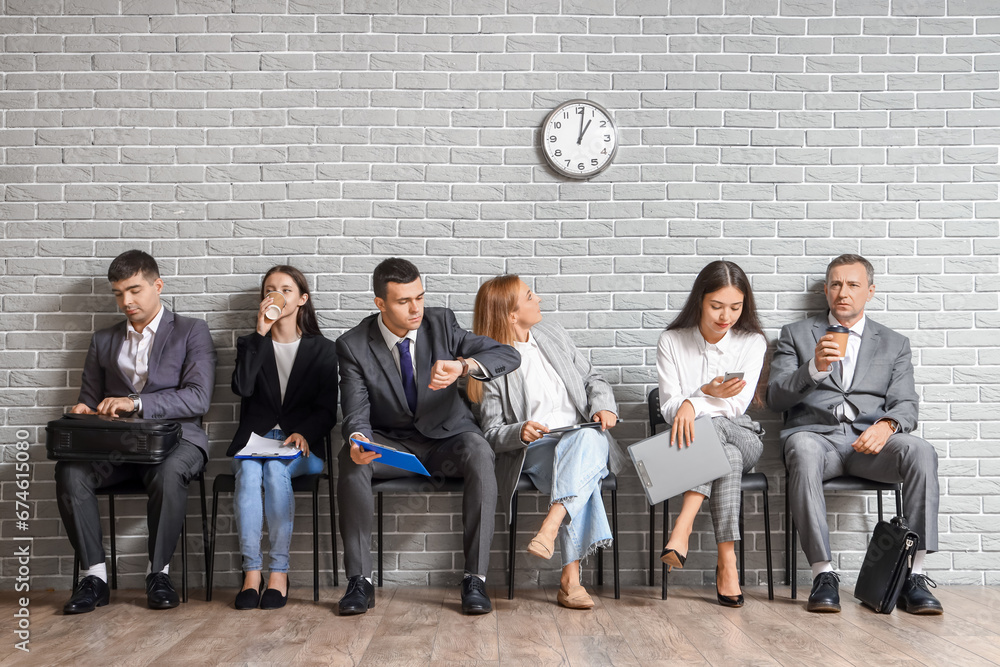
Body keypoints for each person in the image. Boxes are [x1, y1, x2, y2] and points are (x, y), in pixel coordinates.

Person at [336, 258, 520, 616]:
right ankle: (360, 581)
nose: (415, 308)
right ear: (380, 304)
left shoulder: (441, 323)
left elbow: (507, 354)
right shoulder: (353, 345)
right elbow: (355, 411)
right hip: (393, 445)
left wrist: (463, 366)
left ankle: (475, 579)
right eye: (404, 301)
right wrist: (359, 438)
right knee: (350, 456)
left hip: (448, 442)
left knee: (480, 450)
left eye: (419, 297)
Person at [767, 253, 942, 614]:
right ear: (827, 291)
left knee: (921, 451)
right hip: (819, 442)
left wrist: (888, 425)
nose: (842, 292)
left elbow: (906, 404)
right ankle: (823, 574)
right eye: (835, 284)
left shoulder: (894, 343)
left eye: (852, 285)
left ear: (870, 291)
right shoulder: (796, 335)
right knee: (800, 446)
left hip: (871, 448)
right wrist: (813, 368)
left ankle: (914, 576)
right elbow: (775, 397)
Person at [57, 250, 216, 613]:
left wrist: (135, 402)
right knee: (70, 470)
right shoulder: (103, 341)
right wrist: (83, 411)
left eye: (134, 290)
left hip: (176, 443)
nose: (125, 301)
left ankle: (158, 573)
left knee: (168, 472)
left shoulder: (192, 331)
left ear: (157, 286)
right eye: (118, 293)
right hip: (117, 450)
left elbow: (198, 398)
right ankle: (94, 577)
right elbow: (90, 400)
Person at [472, 275, 626, 609]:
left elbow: (592, 378)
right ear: (512, 315)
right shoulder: (489, 364)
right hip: (538, 447)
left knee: (585, 440)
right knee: (584, 468)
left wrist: (602, 405)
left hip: (584, 433)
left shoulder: (553, 335)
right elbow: (491, 431)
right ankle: (569, 580)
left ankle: (552, 526)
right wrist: (520, 431)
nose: (538, 298)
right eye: (529, 296)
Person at [655, 260, 767, 608]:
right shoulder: (672, 341)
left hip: (743, 436)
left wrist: (692, 402)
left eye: (735, 307)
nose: (726, 316)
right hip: (690, 446)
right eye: (717, 306)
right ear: (699, 301)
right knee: (724, 457)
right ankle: (728, 564)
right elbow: (667, 407)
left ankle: (683, 527)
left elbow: (735, 408)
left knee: (717, 429)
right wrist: (695, 400)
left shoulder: (752, 342)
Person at [227, 265, 337, 610]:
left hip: (302, 446)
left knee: (275, 471)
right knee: (248, 473)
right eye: (271, 289)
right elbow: (242, 388)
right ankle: (251, 573)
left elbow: (326, 409)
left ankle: (279, 572)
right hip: (255, 443)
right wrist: (260, 335)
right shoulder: (251, 344)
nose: (277, 295)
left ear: (302, 299)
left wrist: (304, 432)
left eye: (287, 289)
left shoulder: (323, 349)